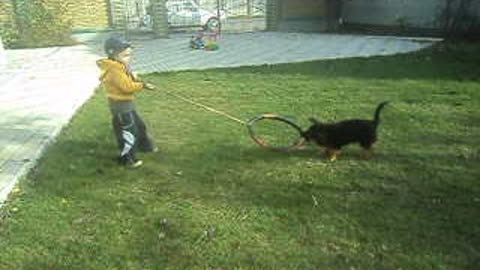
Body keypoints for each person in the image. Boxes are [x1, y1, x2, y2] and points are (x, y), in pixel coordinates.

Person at [97, 36, 157, 168]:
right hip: (120, 107)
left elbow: (126, 79)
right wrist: (142, 85)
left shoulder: (118, 65)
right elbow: (127, 87)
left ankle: (145, 147)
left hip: (126, 105)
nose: (128, 58)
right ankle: (128, 159)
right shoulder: (114, 69)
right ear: (112, 53)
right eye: (125, 56)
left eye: (129, 55)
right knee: (129, 133)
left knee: (139, 126)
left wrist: (133, 77)